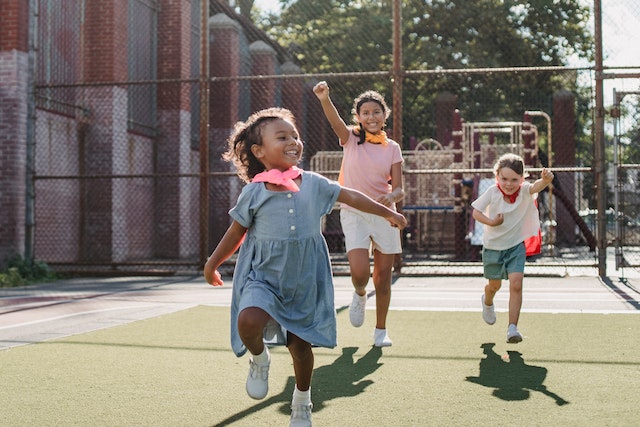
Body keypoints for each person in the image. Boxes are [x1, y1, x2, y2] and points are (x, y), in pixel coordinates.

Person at [203, 107, 407, 426]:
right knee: (248, 320)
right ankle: (259, 359)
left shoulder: (313, 183)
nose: (293, 141)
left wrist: (388, 213)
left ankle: (302, 400)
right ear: (259, 151)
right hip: (263, 276)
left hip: (303, 279)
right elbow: (235, 232)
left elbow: (351, 196)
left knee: (300, 347)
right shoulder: (254, 192)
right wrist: (213, 262)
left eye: (295, 136)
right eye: (282, 136)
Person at [313, 81, 404, 348]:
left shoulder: (393, 148)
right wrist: (324, 98)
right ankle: (360, 293)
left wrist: (391, 197)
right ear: (358, 117)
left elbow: (398, 188)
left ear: (384, 115)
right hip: (353, 213)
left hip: (385, 214)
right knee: (360, 272)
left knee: (384, 277)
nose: (371, 117)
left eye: (376, 111)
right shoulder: (350, 138)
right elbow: (334, 122)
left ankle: (380, 331)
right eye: (365, 112)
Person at [471, 153, 554, 343]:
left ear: (522, 178)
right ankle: (487, 300)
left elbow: (536, 186)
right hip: (493, 247)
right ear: (497, 176)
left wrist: (546, 179)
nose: (509, 183)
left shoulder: (525, 190)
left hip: (516, 246)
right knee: (495, 285)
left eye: (514, 179)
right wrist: (491, 221)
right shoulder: (493, 191)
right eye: (504, 179)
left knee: (516, 284)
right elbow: (476, 212)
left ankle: (512, 328)